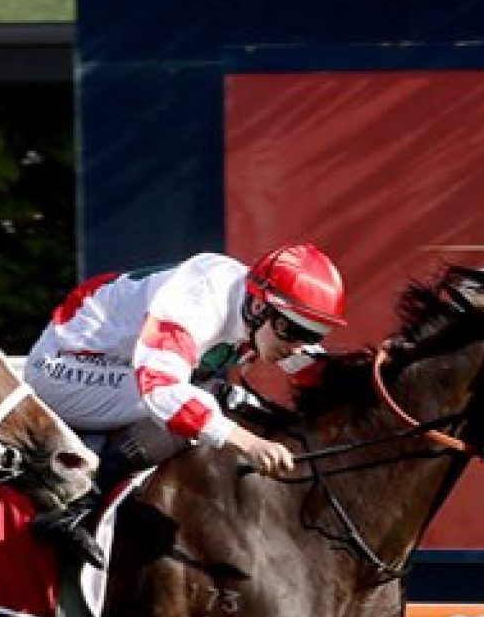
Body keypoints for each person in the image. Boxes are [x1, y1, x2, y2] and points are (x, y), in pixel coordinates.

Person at [24, 242, 347, 565]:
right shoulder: (202, 298)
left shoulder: (263, 316)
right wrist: (248, 443)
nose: (296, 346)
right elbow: (160, 390)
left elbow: (320, 375)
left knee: (220, 397)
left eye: (311, 335)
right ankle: (77, 505)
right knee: (211, 397)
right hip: (63, 369)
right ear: (260, 307)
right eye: (292, 331)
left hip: (115, 367)